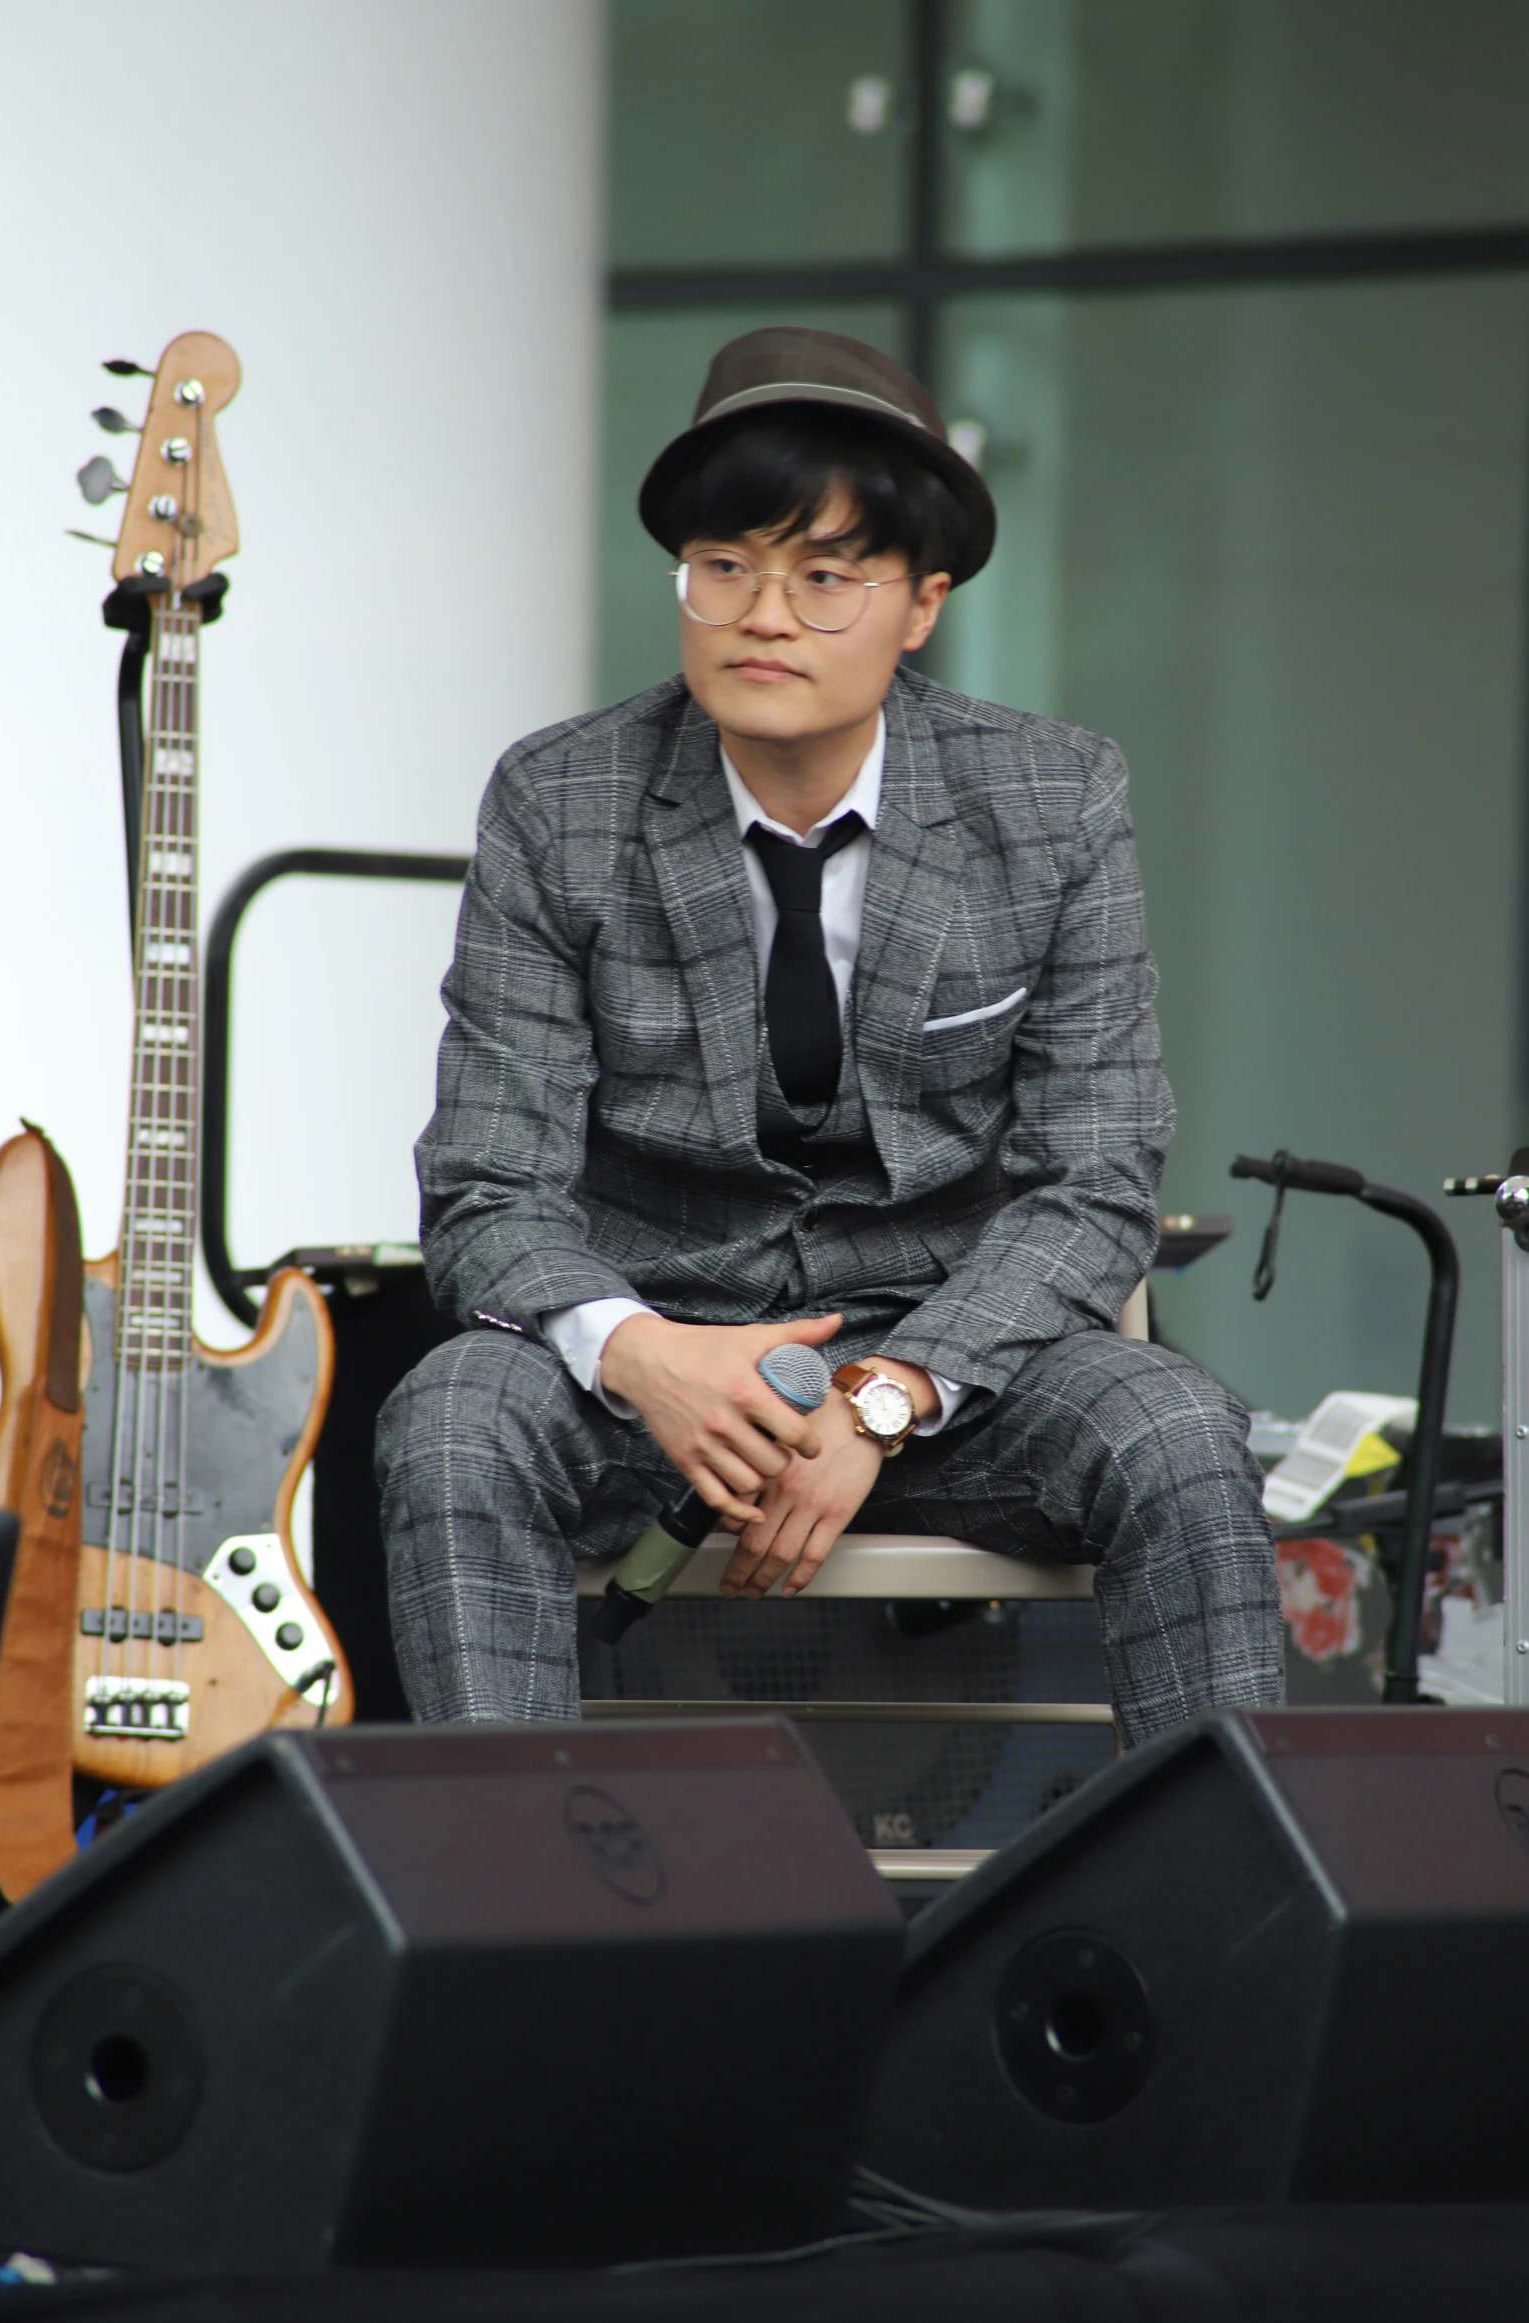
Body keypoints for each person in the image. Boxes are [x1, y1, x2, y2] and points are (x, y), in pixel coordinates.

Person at [375, 326, 1284, 1745]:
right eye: (722, 566)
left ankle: (1228, 1922)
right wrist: (641, 1353)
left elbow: (1093, 1179)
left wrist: (887, 1393)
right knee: (449, 1416)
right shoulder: (562, 799)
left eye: (823, 573)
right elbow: (486, 1190)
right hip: (653, 1347)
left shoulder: (1051, 799)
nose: (763, 614)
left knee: (1173, 1430)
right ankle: (510, 1907)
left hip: (952, 1357)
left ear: (919, 605)